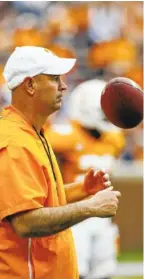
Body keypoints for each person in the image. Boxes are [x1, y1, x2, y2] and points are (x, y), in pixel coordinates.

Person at [0, 46, 121, 279]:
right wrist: (91, 207)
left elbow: (39, 199)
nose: (63, 86)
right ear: (30, 85)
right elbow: (25, 221)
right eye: (54, 79)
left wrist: (82, 190)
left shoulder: (31, 133)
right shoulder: (15, 142)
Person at [44, 79, 125, 279]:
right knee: (76, 272)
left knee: (105, 271)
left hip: (103, 217)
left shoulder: (114, 139)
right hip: (75, 216)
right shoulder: (65, 136)